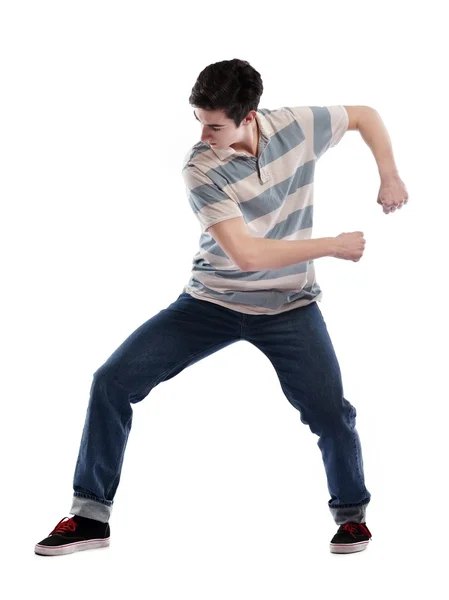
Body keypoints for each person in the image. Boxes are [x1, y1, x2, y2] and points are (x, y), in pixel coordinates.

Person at [34, 58, 408, 557]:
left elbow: (364, 114)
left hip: (289, 306)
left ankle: (351, 515)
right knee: (112, 381)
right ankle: (89, 516)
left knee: (329, 412)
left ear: (249, 116)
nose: (204, 134)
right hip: (211, 301)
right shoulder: (201, 167)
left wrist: (389, 176)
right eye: (199, 120)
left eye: (215, 124)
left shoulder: (296, 126)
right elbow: (247, 255)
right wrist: (331, 246)